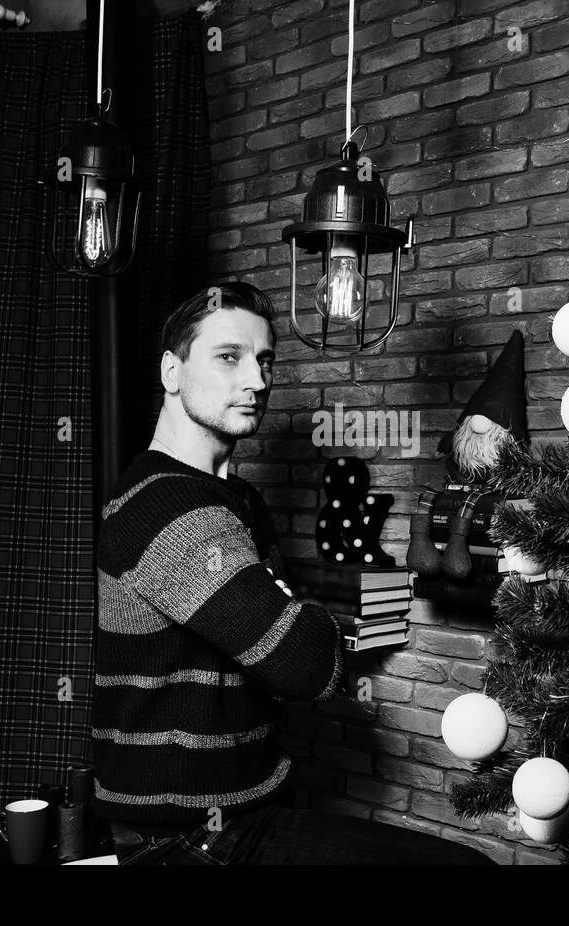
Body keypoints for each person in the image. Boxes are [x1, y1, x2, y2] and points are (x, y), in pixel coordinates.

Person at [91, 281, 496, 865]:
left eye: (263, 361)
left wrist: (284, 620)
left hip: (250, 809)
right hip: (186, 839)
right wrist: (295, 623)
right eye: (228, 357)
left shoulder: (240, 502)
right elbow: (306, 663)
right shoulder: (164, 507)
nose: (256, 381)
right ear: (171, 372)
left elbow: (285, 647)